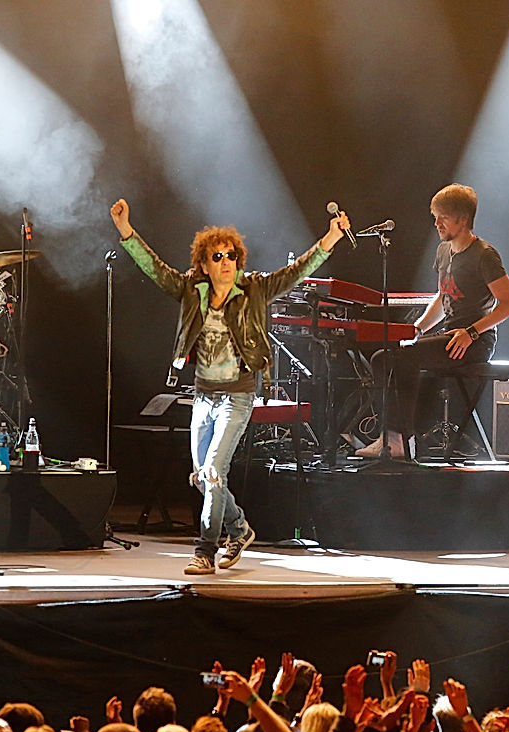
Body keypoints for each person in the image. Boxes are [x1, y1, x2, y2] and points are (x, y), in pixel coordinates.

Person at [110, 198, 350, 575]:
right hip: (202, 396)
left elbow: (296, 272)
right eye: (217, 256)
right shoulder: (193, 289)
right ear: (203, 264)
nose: (225, 262)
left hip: (237, 395)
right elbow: (155, 270)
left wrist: (330, 238)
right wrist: (126, 230)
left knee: (213, 473)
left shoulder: (255, 289)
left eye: (231, 256)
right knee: (201, 477)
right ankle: (239, 529)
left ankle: (205, 550)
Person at [356, 184, 509, 459]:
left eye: (442, 217)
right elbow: (442, 298)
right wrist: (416, 329)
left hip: (474, 342)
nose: (436, 223)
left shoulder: (485, 256)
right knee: (384, 358)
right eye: (435, 216)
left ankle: (399, 442)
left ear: (463, 219)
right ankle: (395, 436)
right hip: (449, 335)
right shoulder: (444, 251)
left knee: (404, 359)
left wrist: (471, 333)